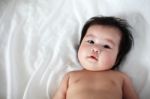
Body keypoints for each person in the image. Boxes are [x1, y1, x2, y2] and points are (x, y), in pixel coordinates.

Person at [53, 16, 139, 99]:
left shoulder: (121, 78)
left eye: (106, 46)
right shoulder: (70, 76)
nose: (96, 48)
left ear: (117, 59)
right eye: (91, 41)